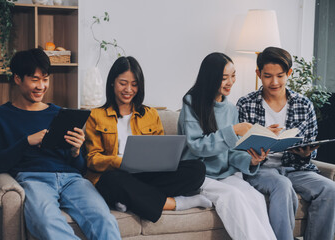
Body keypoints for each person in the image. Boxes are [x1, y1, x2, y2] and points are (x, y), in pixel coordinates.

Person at [0, 49, 121, 240]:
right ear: (17, 79)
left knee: (105, 219)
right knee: (45, 222)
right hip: (34, 179)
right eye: (35, 79)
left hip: (72, 180)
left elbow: (80, 169)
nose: (41, 86)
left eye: (45, 79)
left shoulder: (59, 113)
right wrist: (26, 142)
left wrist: (75, 152)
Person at [84, 56, 212, 223]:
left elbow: (160, 150)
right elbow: (92, 159)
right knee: (111, 181)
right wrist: (119, 162)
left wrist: (163, 161)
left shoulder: (150, 114)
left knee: (197, 169)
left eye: (134, 84)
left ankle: (129, 199)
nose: (128, 89)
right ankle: (175, 203)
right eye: (123, 83)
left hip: (145, 175)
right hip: (115, 175)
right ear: (112, 83)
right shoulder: (96, 116)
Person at [236, 46, 335, 240]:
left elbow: (310, 146)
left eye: (280, 76)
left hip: (296, 168)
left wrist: (307, 153)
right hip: (261, 170)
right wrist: (252, 156)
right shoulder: (245, 104)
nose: (274, 82)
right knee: (282, 186)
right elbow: (237, 148)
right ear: (258, 74)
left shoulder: (303, 104)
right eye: (267, 76)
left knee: (330, 189)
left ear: (289, 73)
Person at [177, 52, 276, 240]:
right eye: (224, 78)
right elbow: (198, 146)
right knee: (232, 196)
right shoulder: (191, 102)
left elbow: (232, 152)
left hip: (223, 174)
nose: (230, 82)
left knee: (254, 197)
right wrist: (233, 130)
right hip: (197, 174)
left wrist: (251, 160)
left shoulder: (231, 109)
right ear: (211, 78)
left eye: (233, 75)